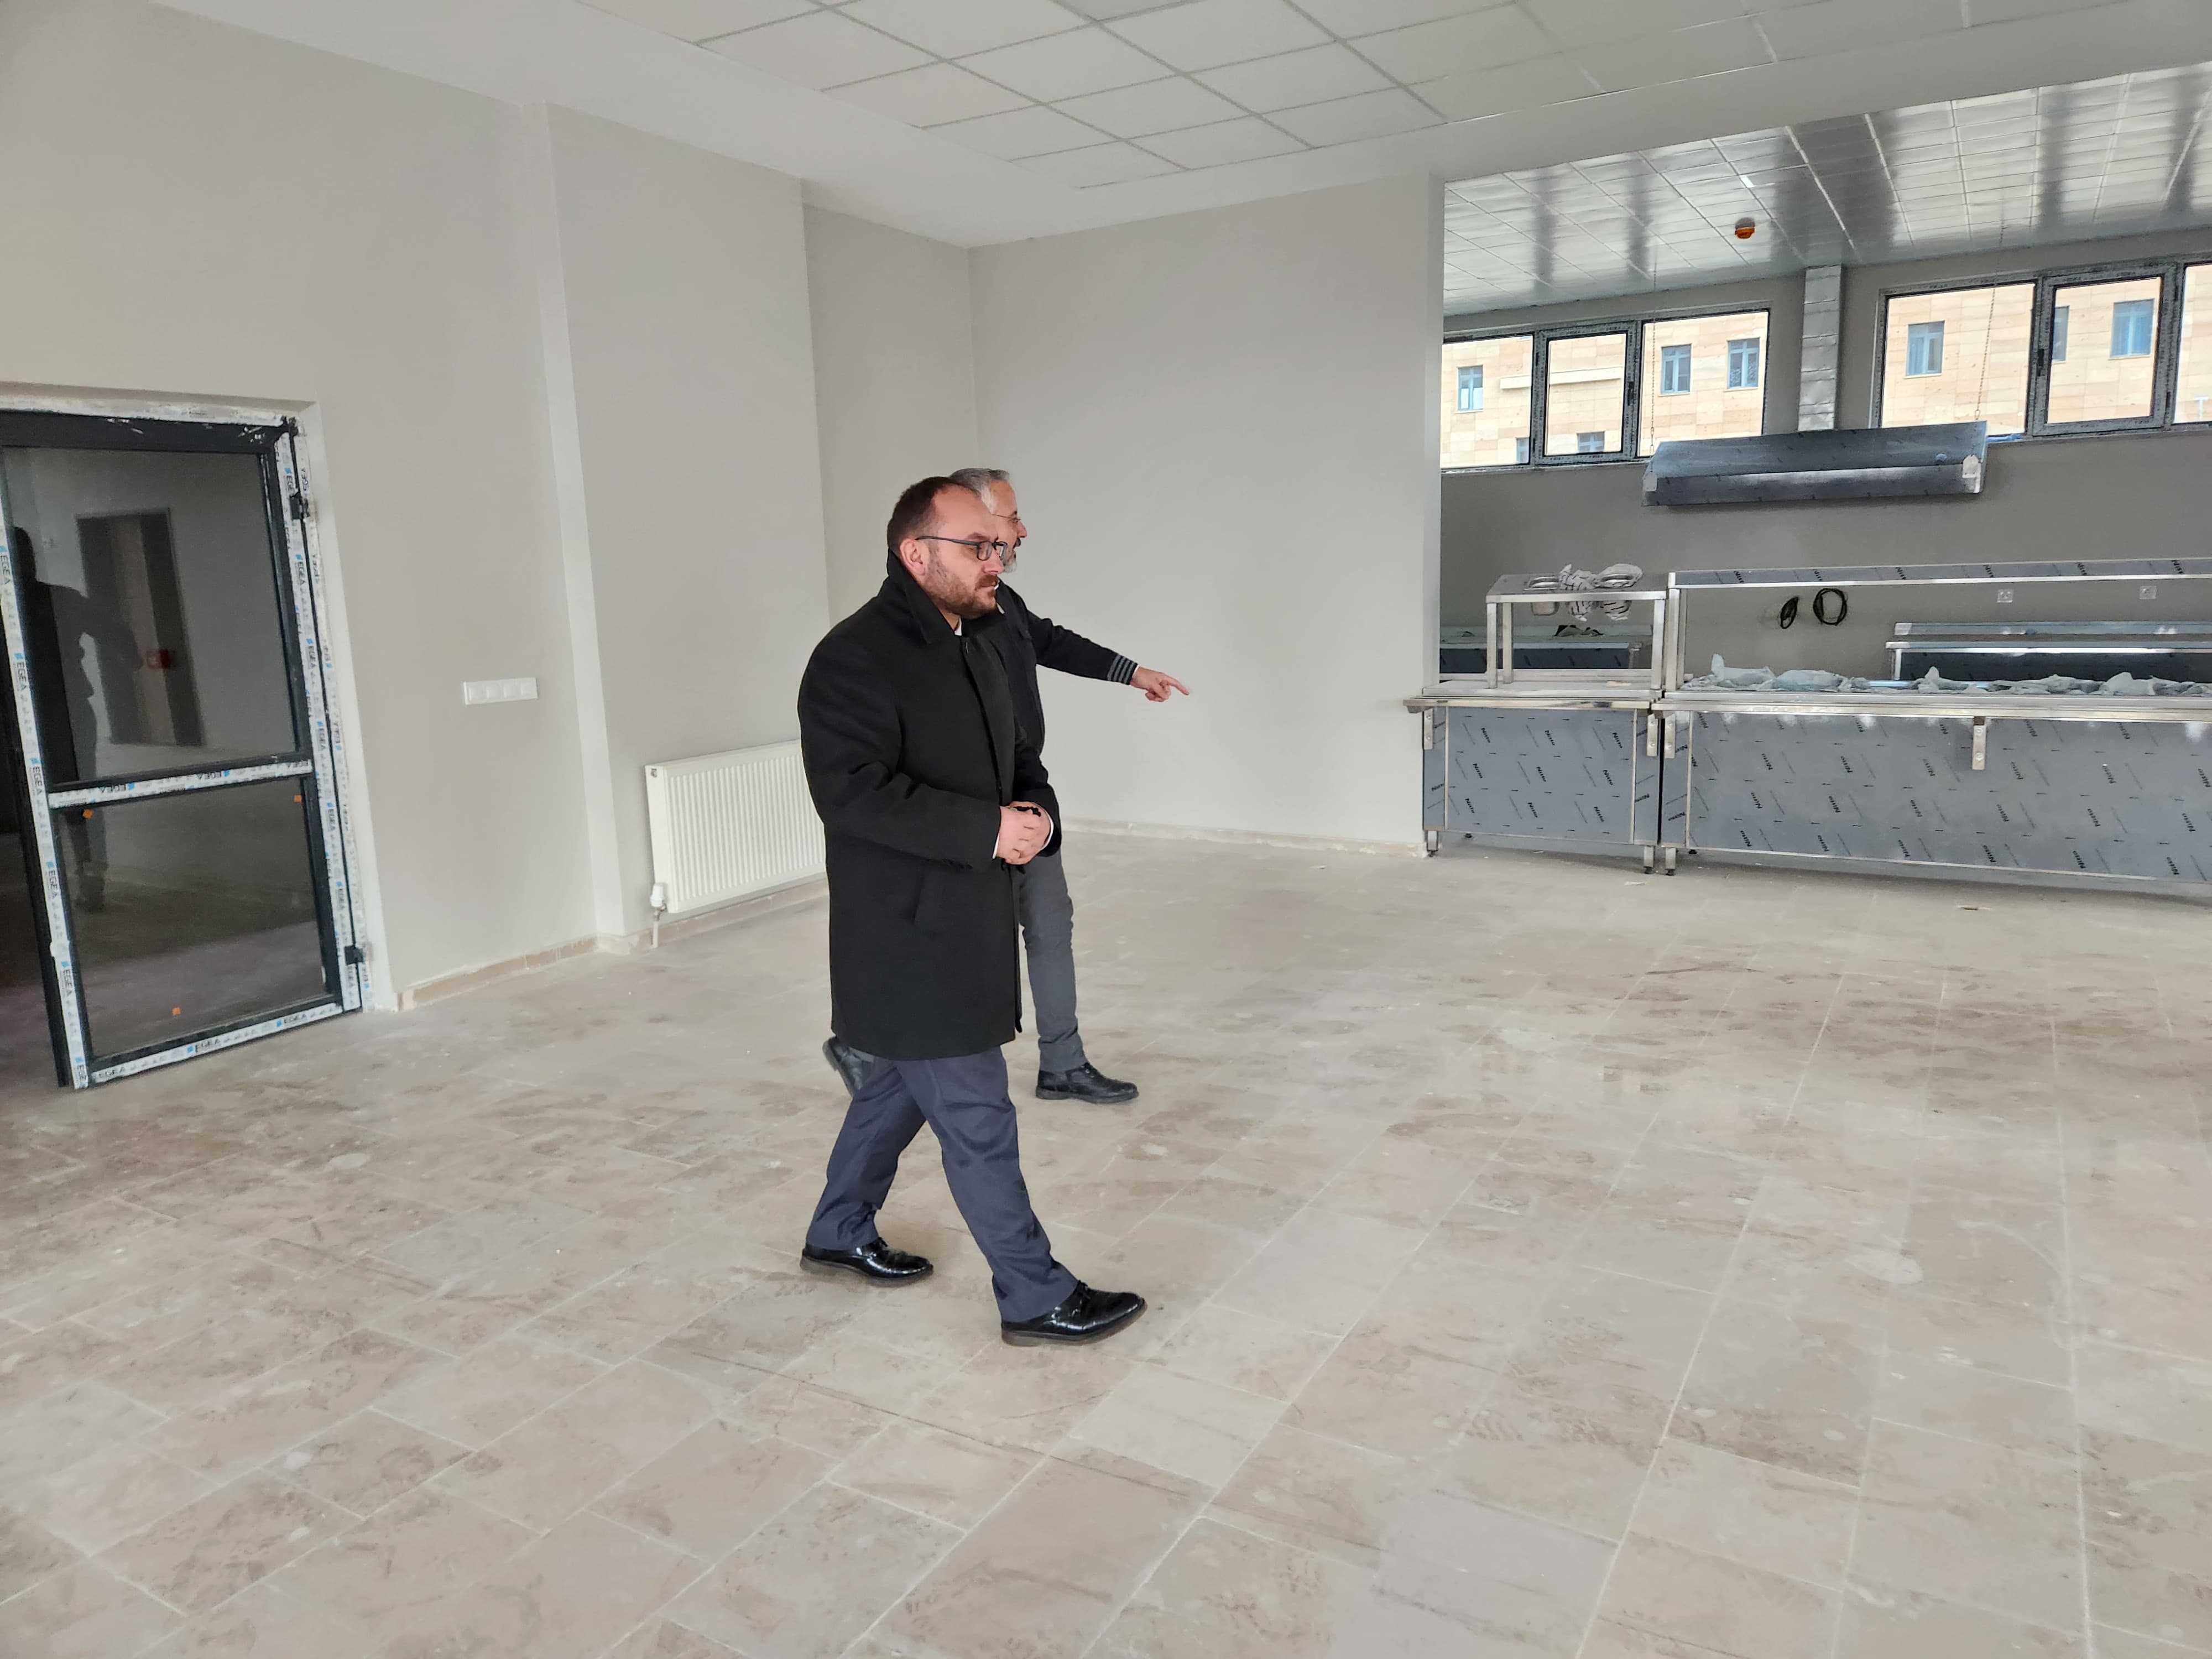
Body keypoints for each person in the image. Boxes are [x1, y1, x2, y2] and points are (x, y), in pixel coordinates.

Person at [795, 476, 1146, 1347]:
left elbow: (1020, 756)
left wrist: (1038, 819)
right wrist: (987, 829)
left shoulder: (980, 638)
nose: (998, 561)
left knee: (896, 1093)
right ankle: (1034, 1294)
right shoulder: (853, 657)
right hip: (907, 933)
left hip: (968, 912)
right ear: (916, 553)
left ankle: (837, 1229)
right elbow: (852, 794)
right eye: (979, 547)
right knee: (979, 1119)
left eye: (1000, 547)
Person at [822, 467, 1187, 1107]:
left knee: (1048, 925)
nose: (1018, 532)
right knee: (939, 997)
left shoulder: (996, 604)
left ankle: (1062, 1063)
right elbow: (858, 790)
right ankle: (869, 1049)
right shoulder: (920, 630)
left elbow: (1052, 644)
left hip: (1018, 802)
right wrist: (986, 826)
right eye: (1004, 522)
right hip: (960, 824)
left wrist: (1130, 673)